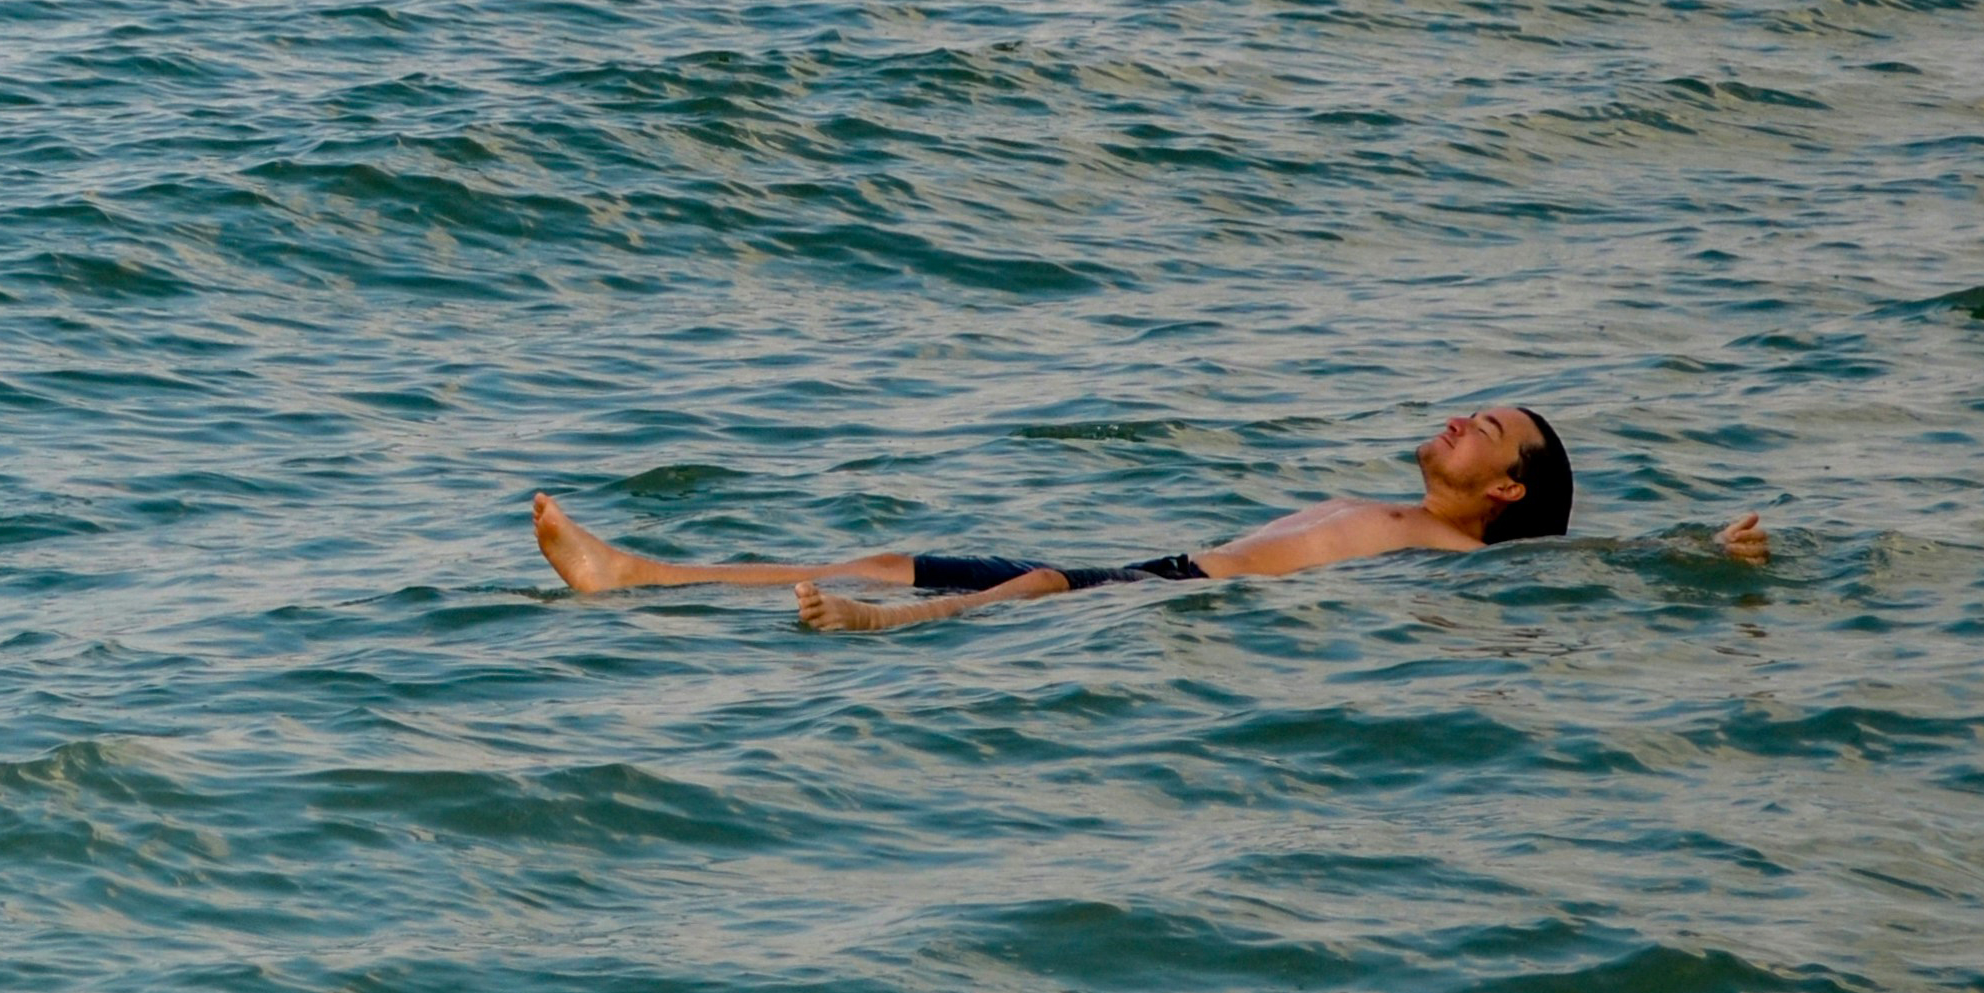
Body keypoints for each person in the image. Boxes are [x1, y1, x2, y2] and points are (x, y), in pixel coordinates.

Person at [528, 404, 1763, 630]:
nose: (1458, 421)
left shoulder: (1453, 550)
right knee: (893, 547)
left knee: (1022, 592)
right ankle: (632, 572)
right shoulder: (1392, 504)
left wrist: (1702, 556)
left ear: (1503, 493)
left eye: (1486, 431)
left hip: (1175, 592)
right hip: (1152, 564)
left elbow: (1584, 569)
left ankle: (867, 629)